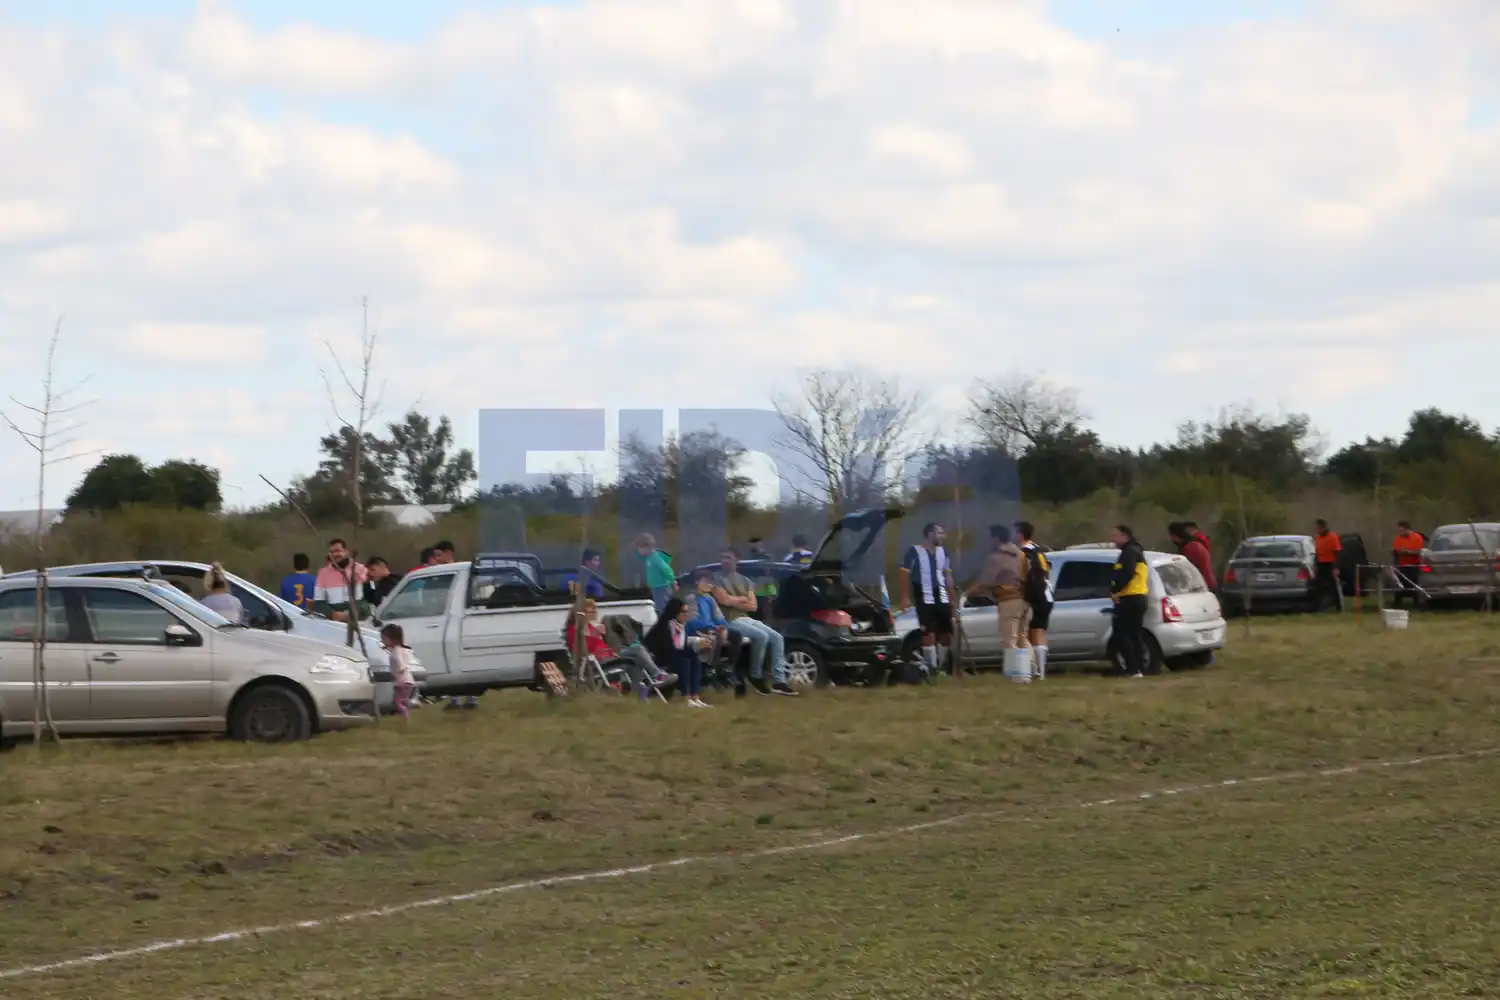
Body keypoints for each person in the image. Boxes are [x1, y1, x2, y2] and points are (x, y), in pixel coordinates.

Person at [714, 548, 796, 697]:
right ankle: (755, 675)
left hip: (746, 618)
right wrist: (742, 599)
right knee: (761, 636)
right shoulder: (717, 579)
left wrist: (734, 600)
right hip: (728, 620)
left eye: (728, 557)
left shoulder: (745, 580)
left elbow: (753, 606)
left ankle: (779, 681)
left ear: (736, 560)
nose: (724, 561)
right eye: (722, 558)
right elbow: (724, 601)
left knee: (777, 637)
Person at [566, 597, 675, 693]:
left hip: (608, 656)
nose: (594, 614)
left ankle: (640, 691)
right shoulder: (574, 631)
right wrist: (594, 636)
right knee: (637, 653)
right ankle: (656, 677)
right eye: (590, 612)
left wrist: (604, 642)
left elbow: (602, 646)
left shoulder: (590, 627)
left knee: (637, 656)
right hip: (595, 662)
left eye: (594, 611)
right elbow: (581, 652)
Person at [898, 523, 956, 676]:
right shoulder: (914, 551)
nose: (942, 536)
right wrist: (904, 597)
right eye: (940, 533)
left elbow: (947, 575)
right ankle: (932, 668)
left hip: (941, 596)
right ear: (930, 534)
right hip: (923, 595)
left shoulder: (944, 552)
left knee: (946, 634)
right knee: (928, 632)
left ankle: (942, 664)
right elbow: (904, 574)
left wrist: (952, 596)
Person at [644, 597, 711, 708]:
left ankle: (695, 696)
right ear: (675, 612)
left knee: (694, 659)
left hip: (672, 656)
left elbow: (681, 646)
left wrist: (698, 644)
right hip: (659, 661)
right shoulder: (665, 626)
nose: (686, 614)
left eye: (687, 611)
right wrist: (696, 644)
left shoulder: (681, 625)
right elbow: (671, 648)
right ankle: (686, 698)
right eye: (683, 612)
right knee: (684, 660)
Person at [972, 525, 1026, 652]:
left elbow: (985, 582)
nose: (988, 541)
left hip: (1009, 600)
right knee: (1022, 640)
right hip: (1024, 600)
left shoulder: (998, 557)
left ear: (996, 538)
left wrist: (967, 593)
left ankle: (1014, 665)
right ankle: (1032, 665)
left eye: (989, 538)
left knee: (1009, 641)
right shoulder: (1020, 554)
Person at [688, 571, 742, 690]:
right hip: (698, 629)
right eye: (705, 581)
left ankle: (728, 670)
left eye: (710, 582)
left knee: (736, 635)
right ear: (697, 582)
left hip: (713, 628)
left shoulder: (710, 599)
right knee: (716, 636)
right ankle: (711, 671)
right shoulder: (692, 599)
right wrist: (713, 627)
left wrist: (724, 627)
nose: (709, 584)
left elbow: (719, 617)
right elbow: (693, 621)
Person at [1110, 525, 1150, 678]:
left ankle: (1133, 669)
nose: (1113, 539)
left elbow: (1126, 573)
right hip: (1139, 596)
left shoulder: (1129, 552)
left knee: (1122, 633)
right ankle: (1139, 668)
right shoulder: (1137, 550)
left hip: (1129, 597)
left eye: (1115, 535)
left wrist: (1114, 590)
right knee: (1134, 634)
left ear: (1124, 536)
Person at [1016, 521, 1053, 680]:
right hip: (1047, 593)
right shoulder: (1038, 549)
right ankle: (1040, 671)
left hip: (1035, 595)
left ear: (1020, 534)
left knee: (1030, 632)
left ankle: (1035, 670)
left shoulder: (1024, 552)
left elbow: (1022, 577)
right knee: (1039, 631)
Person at [314, 538, 369, 623]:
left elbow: (368, 597)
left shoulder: (360, 569)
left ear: (346, 552)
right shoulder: (323, 574)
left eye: (338, 551)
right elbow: (319, 602)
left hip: (359, 620)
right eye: (331, 552)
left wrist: (349, 614)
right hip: (334, 622)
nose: (334, 554)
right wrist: (333, 614)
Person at [380, 623, 416, 720]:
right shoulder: (401, 649)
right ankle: (404, 713)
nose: (382, 641)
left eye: (384, 639)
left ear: (392, 639)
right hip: (409, 680)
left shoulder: (396, 651)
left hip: (402, 681)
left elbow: (400, 662)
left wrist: (400, 668)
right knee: (402, 700)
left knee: (397, 701)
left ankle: (405, 716)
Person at [1169, 523, 1217, 591]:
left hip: (1203, 586)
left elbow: (1186, 570)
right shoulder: (1194, 544)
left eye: (1171, 536)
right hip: (1206, 583)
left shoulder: (1190, 548)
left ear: (1175, 536)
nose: (1171, 539)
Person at [635, 534, 677, 613]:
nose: (638, 551)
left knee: (662, 608)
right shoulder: (649, 558)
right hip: (655, 588)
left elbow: (666, 569)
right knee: (657, 607)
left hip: (662, 588)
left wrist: (673, 581)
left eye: (639, 549)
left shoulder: (655, 558)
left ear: (647, 548)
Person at [1391, 520, 1426, 608]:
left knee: (1414, 585)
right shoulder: (1398, 538)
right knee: (1400, 585)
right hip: (1402, 566)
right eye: (1398, 530)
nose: (1399, 532)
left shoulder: (1417, 537)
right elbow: (1397, 551)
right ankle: (1397, 605)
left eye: (1401, 530)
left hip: (1414, 565)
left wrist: (1406, 551)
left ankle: (1417, 604)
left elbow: (1418, 552)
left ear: (1407, 529)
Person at [1314, 519, 1344, 612]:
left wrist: (1336, 567)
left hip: (1330, 564)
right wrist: (1315, 563)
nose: (1316, 530)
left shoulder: (1332, 537)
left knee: (1333, 586)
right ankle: (1319, 607)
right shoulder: (1318, 538)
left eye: (1318, 528)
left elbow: (1338, 553)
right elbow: (1317, 552)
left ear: (1322, 528)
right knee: (1318, 586)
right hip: (1320, 564)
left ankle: (1339, 607)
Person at [746, 537, 778, 619]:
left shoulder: (765, 557)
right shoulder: (748, 557)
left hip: (763, 586)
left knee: (766, 610)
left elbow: (769, 574)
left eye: (755, 543)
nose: (752, 545)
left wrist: (770, 593)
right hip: (752, 586)